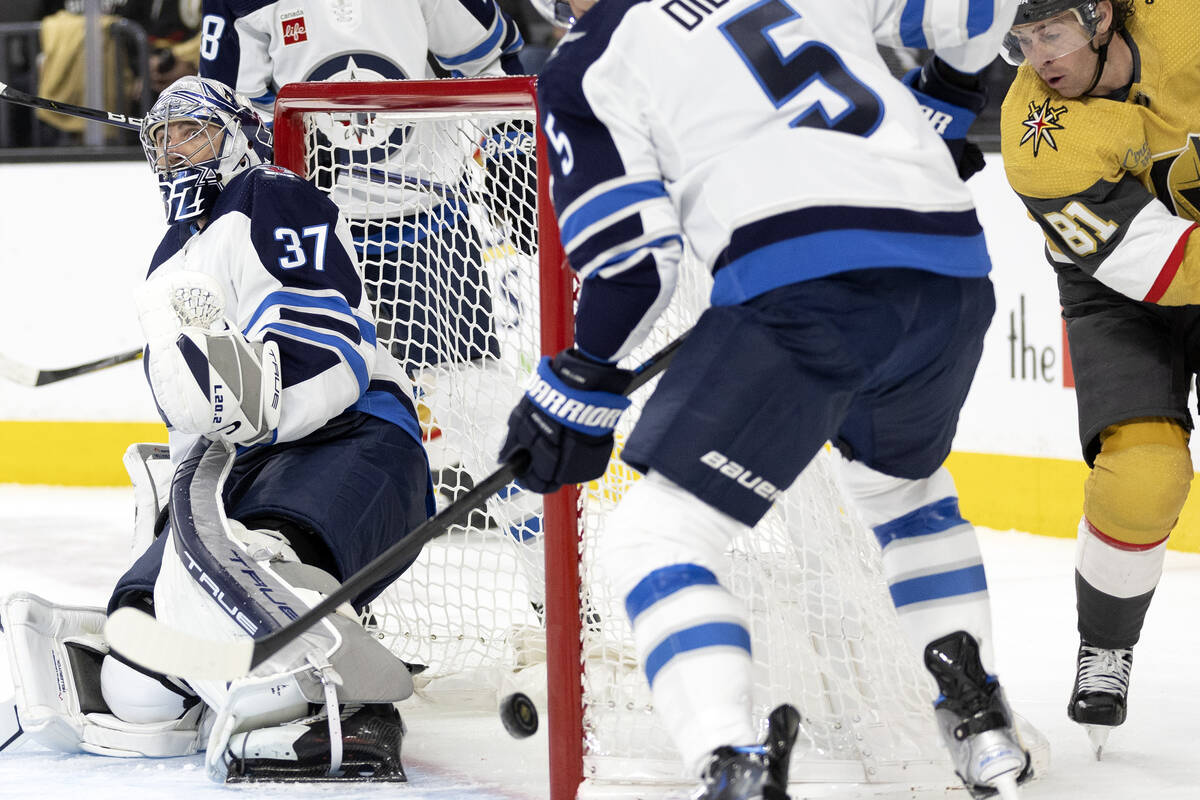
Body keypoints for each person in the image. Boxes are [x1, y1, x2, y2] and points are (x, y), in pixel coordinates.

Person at [499, 0, 1033, 797]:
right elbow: (977, 9)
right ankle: (979, 722)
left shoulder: (589, 58)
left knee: (654, 537)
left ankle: (726, 758)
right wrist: (950, 98)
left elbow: (635, 267)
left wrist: (576, 381)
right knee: (903, 489)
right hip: (951, 265)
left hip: (806, 282)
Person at [0, 76, 433, 783]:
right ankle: (233, 674)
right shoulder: (171, 257)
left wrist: (256, 391)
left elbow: (330, 337)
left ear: (237, 136)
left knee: (264, 568)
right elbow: (199, 420)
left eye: (193, 129)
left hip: (352, 438)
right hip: (244, 469)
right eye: (163, 135)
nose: (174, 148)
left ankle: (348, 701)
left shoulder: (272, 194)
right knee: (136, 683)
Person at [196, 0, 542, 543]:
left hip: (427, 223)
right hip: (310, 232)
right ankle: (315, 585)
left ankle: (553, 582)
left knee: (479, 402)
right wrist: (280, 141)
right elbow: (226, 111)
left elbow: (488, 66)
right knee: (301, 409)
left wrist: (510, 160)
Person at [999, 0, 1198, 758]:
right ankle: (1106, 646)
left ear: (1101, 16)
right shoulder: (1036, 134)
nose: (1038, 57)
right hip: (1118, 293)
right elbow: (1168, 268)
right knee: (1142, 477)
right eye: (1020, 42)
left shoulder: (1184, 23)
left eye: (1049, 33)